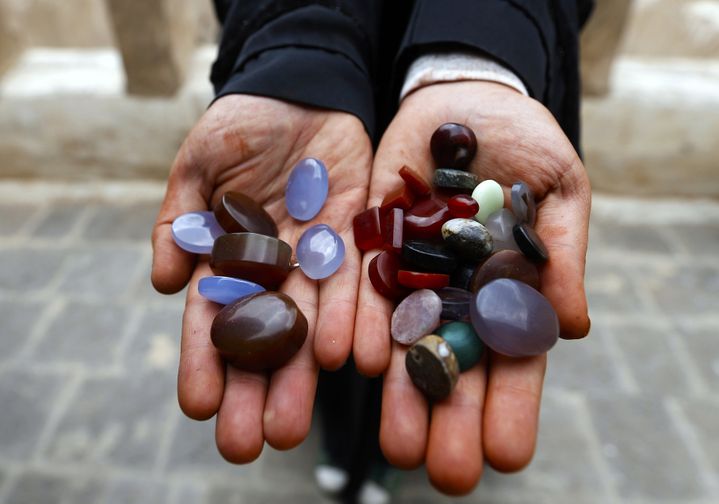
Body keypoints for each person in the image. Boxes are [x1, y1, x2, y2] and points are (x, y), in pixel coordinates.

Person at [150, 0, 594, 500]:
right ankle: (340, 433)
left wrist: (475, 61)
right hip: (344, 95)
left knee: (378, 326)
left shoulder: (463, 225)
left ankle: (384, 457)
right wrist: (296, 59)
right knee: (344, 323)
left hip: (458, 68)